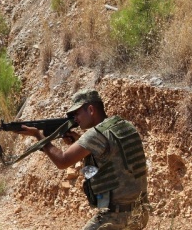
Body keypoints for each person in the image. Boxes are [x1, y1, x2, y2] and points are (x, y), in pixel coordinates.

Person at [16, 89, 149, 230]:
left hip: (116, 218)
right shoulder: (124, 125)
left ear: (91, 109)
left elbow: (62, 161)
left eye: (77, 113)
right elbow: (112, 157)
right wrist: (79, 141)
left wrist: (38, 135)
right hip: (140, 213)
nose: (75, 119)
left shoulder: (95, 135)